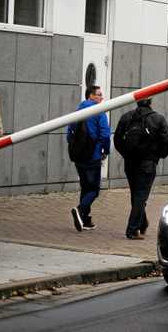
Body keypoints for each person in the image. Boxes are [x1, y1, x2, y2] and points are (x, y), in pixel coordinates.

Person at [114, 98, 168, 240]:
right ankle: (132, 230)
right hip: (147, 163)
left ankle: (142, 223)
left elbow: (117, 139)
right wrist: (159, 155)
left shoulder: (127, 117)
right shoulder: (158, 119)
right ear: (150, 103)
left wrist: (126, 154)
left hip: (130, 163)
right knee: (140, 196)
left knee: (136, 195)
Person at [66, 86, 111, 232]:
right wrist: (105, 150)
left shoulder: (78, 111)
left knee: (85, 187)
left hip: (79, 157)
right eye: (99, 95)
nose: (101, 98)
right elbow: (105, 134)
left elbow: (69, 134)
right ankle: (79, 210)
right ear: (90, 96)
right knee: (94, 190)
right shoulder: (99, 112)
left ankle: (84, 220)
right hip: (93, 155)